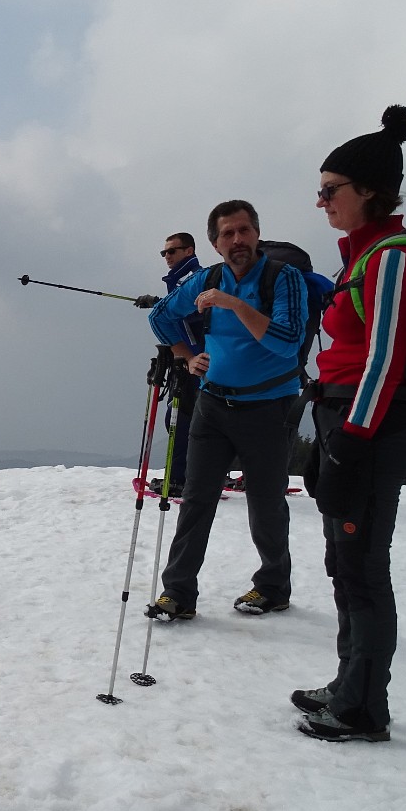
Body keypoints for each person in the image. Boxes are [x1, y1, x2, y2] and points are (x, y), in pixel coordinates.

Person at [295, 106, 406, 743]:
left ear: (369, 192)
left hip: (370, 430)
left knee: (363, 566)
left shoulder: (395, 257)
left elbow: (385, 357)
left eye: (331, 190)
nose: (321, 201)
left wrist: (351, 438)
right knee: (343, 560)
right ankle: (348, 682)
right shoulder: (362, 257)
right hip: (343, 420)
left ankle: (363, 708)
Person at [144, 200, 308, 620]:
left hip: (269, 407)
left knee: (266, 502)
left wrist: (233, 304)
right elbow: (161, 317)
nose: (237, 240)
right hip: (214, 403)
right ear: (216, 244)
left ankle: (273, 587)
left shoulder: (283, 279)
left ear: (256, 234)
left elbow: (287, 342)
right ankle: (177, 595)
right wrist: (185, 356)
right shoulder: (208, 280)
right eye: (227, 234)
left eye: (244, 231)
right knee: (197, 499)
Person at [136, 233, 204, 496]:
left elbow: (190, 314)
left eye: (172, 252)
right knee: (186, 418)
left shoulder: (192, 279)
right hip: (195, 359)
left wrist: (161, 306)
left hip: (196, 361)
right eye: (164, 253)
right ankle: (194, 475)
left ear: (189, 251)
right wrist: (161, 303)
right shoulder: (181, 281)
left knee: (180, 418)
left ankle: (178, 479)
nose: (167, 257)